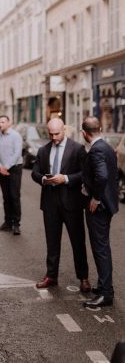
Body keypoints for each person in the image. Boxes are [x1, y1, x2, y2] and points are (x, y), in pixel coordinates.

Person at [31, 118, 90, 292]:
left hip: (72, 203)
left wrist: (65, 178)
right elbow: (34, 172)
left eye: (57, 133)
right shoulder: (43, 150)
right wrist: (43, 179)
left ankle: (83, 278)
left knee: (78, 242)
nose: (54, 137)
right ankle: (51, 276)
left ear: (63, 130)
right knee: (52, 242)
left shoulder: (77, 149)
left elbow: (85, 174)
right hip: (50, 203)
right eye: (50, 134)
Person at [81, 116, 118, 309]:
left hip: (99, 207)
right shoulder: (107, 147)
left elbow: (102, 175)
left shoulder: (95, 151)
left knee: (100, 249)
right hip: (109, 204)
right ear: (100, 128)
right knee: (102, 247)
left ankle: (106, 294)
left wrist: (95, 197)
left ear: (84, 134)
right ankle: (105, 286)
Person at [0, 115, 23, 235]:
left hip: (14, 168)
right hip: (2, 169)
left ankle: (16, 223)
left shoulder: (16, 136)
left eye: (3, 122)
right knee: (6, 197)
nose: (0, 124)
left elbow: (17, 153)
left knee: (14, 196)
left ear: (9, 123)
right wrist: (0, 167)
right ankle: (7, 222)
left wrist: (7, 166)